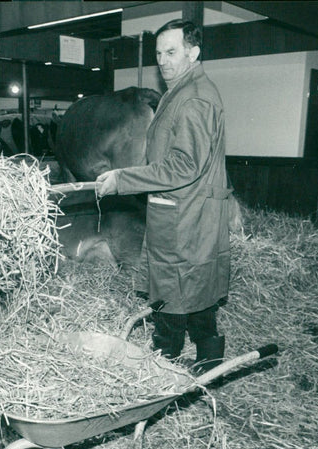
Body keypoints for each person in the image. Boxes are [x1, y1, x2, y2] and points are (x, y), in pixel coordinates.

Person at [94, 19, 232, 375]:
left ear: (193, 51)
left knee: (172, 293)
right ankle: (209, 363)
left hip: (184, 215)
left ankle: (163, 368)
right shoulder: (185, 89)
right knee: (197, 291)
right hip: (187, 211)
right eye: (159, 54)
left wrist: (124, 178)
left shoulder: (195, 99)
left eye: (171, 52)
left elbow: (183, 166)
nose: (163, 61)